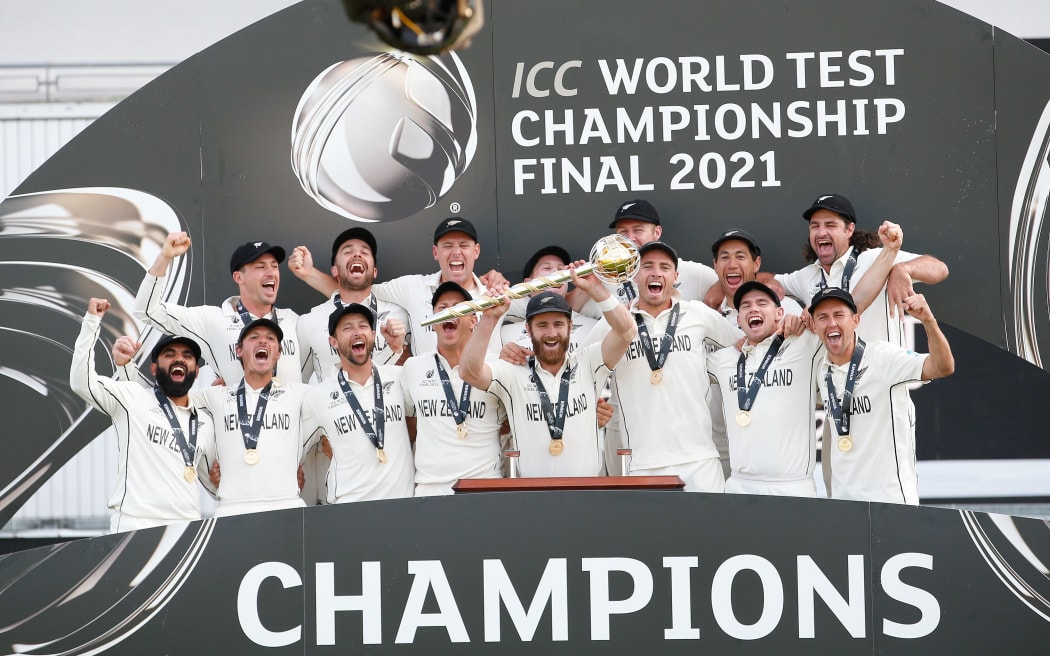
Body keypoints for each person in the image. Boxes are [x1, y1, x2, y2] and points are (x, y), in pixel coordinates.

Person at [586, 242, 740, 492]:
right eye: (647, 266)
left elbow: (742, 347)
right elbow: (579, 370)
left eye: (665, 267)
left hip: (699, 460)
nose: (656, 273)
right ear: (635, 275)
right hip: (641, 462)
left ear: (675, 277)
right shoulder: (616, 321)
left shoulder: (698, 314)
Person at [460, 266, 637, 477]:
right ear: (528, 328)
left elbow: (627, 331)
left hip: (586, 494)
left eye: (558, 324)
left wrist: (596, 289)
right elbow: (469, 372)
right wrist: (489, 319)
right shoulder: (513, 372)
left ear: (570, 327)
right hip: (533, 499)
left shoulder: (589, 362)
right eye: (542, 325)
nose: (551, 333)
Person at [71, 298, 215, 533]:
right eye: (169, 354)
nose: (179, 358)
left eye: (188, 356)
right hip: (135, 524)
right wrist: (91, 322)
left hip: (185, 528)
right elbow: (81, 382)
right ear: (154, 368)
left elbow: (212, 481)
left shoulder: (205, 422)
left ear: (197, 371)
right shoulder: (133, 398)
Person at [809, 287, 955, 504]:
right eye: (822, 317)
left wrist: (928, 320)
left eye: (839, 315)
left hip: (891, 501)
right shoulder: (822, 369)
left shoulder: (882, 357)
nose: (831, 323)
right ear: (813, 326)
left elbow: (943, 367)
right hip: (844, 503)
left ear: (855, 320)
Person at [289, 216, 508, 356]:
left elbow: (536, 307)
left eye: (464, 245)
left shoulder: (498, 293)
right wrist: (309, 274)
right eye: (448, 245)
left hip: (485, 404)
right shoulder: (412, 288)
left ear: (476, 251)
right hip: (433, 407)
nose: (456, 252)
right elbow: (357, 291)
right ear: (435, 252)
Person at [774, 193, 949, 344]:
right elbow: (766, 281)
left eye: (830, 225)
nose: (821, 232)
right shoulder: (807, 275)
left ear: (849, 229)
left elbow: (939, 269)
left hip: (884, 380)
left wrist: (903, 269)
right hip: (835, 380)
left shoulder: (878, 258)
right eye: (815, 226)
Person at [134, 233, 303, 384]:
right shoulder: (212, 320)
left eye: (274, 266)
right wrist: (164, 258)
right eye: (260, 267)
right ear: (239, 277)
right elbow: (148, 310)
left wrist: (308, 274)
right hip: (237, 418)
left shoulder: (293, 321)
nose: (271, 273)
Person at [706, 282, 824, 497]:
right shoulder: (722, 360)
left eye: (762, 303)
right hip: (740, 487)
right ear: (739, 319)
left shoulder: (803, 343)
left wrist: (809, 314)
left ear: (780, 313)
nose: (753, 309)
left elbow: (840, 317)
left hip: (793, 488)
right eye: (745, 306)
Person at [192, 318, 318, 517]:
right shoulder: (216, 395)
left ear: (278, 352)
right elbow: (167, 398)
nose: (263, 342)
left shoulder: (301, 394)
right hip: (232, 510)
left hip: (286, 507)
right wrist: (125, 366)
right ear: (239, 350)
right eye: (253, 337)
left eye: (270, 338)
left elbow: (340, 403)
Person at [401, 282, 506, 495]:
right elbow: (408, 422)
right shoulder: (413, 368)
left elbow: (510, 422)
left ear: (473, 320)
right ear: (433, 321)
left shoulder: (496, 366)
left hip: (484, 489)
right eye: (442, 308)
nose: (449, 311)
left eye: (458, 306)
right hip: (430, 492)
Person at [303, 303, 415, 502]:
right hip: (348, 509)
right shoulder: (317, 396)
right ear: (333, 341)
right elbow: (291, 450)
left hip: (401, 506)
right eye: (347, 328)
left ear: (372, 335)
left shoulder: (399, 377)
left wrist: (398, 349)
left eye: (363, 326)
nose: (356, 332)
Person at [296, 226, 408, 382]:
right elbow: (299, 383)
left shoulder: (400, 315)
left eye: (364, 252)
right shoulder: (309, 322)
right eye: (348, 252)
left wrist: (396, 349)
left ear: (375, 271)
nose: (357, 254)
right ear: (334, 270)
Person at [574, 199, 719, 317]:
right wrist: (587, 284)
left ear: (657, 232)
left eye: (638, 230)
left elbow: (731, 284)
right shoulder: (605, 278)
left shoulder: (691, 272)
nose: (630, 239)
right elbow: (570, 310)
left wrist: (719, 289)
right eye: (623, 232)